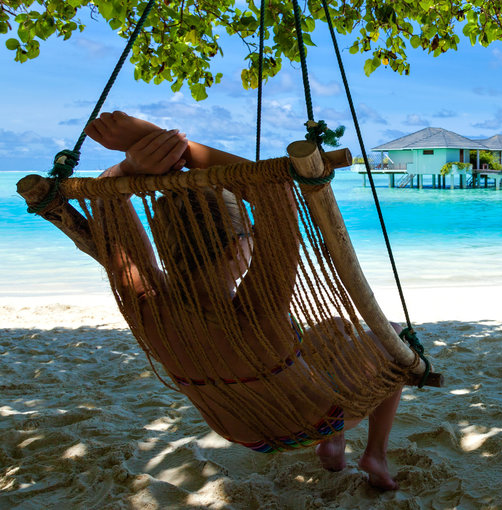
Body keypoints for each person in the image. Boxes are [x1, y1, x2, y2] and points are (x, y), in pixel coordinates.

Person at [84, 111, 403, 490]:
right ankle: (375, 455)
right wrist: (168, 143)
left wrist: (130, 166)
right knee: (394, 338)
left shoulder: (145, 303)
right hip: (306, 423)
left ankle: (333, 447)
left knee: (334, 329)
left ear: (166, 249)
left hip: (242, 432)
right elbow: (277, 193)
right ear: (239, 244)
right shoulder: (258, 313)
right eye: (249, 235)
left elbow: (108, 204)